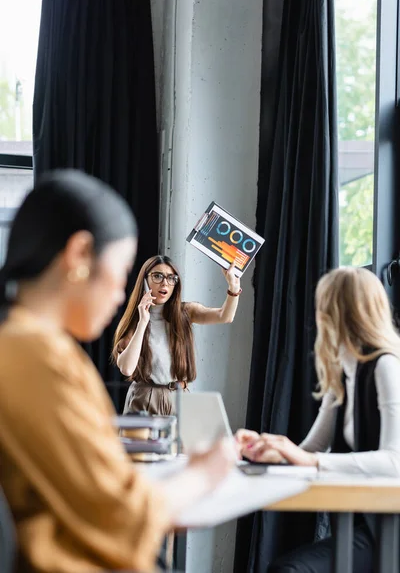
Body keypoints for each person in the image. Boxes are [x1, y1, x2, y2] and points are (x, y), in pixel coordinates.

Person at [0, 169, 235, 573]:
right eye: (124, 270)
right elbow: (122, 517)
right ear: (79, 255)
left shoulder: (30, 344)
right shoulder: (33, 356)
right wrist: (205, 473)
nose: (120, 291)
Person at [236, 266, 400, 573]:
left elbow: (395, 462)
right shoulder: (341, 369)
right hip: (362, 522)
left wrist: (304, 457)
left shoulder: (386, 366)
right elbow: (311, 449)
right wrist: (267, 450)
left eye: (323, 305)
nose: (317, 315)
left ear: (343, 313)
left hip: (388, 527)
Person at [112, 254, 242, 415]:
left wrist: (233, 289)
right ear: (144, 281)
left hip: (179, 396)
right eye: (157, 276)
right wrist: (143, 323)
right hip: (145, 396)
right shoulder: (135, 322)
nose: (165, 283)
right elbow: (126, 368)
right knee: (141, 441)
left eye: (171, 278)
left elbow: (225, 316)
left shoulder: (185, 312)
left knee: (185, 440)